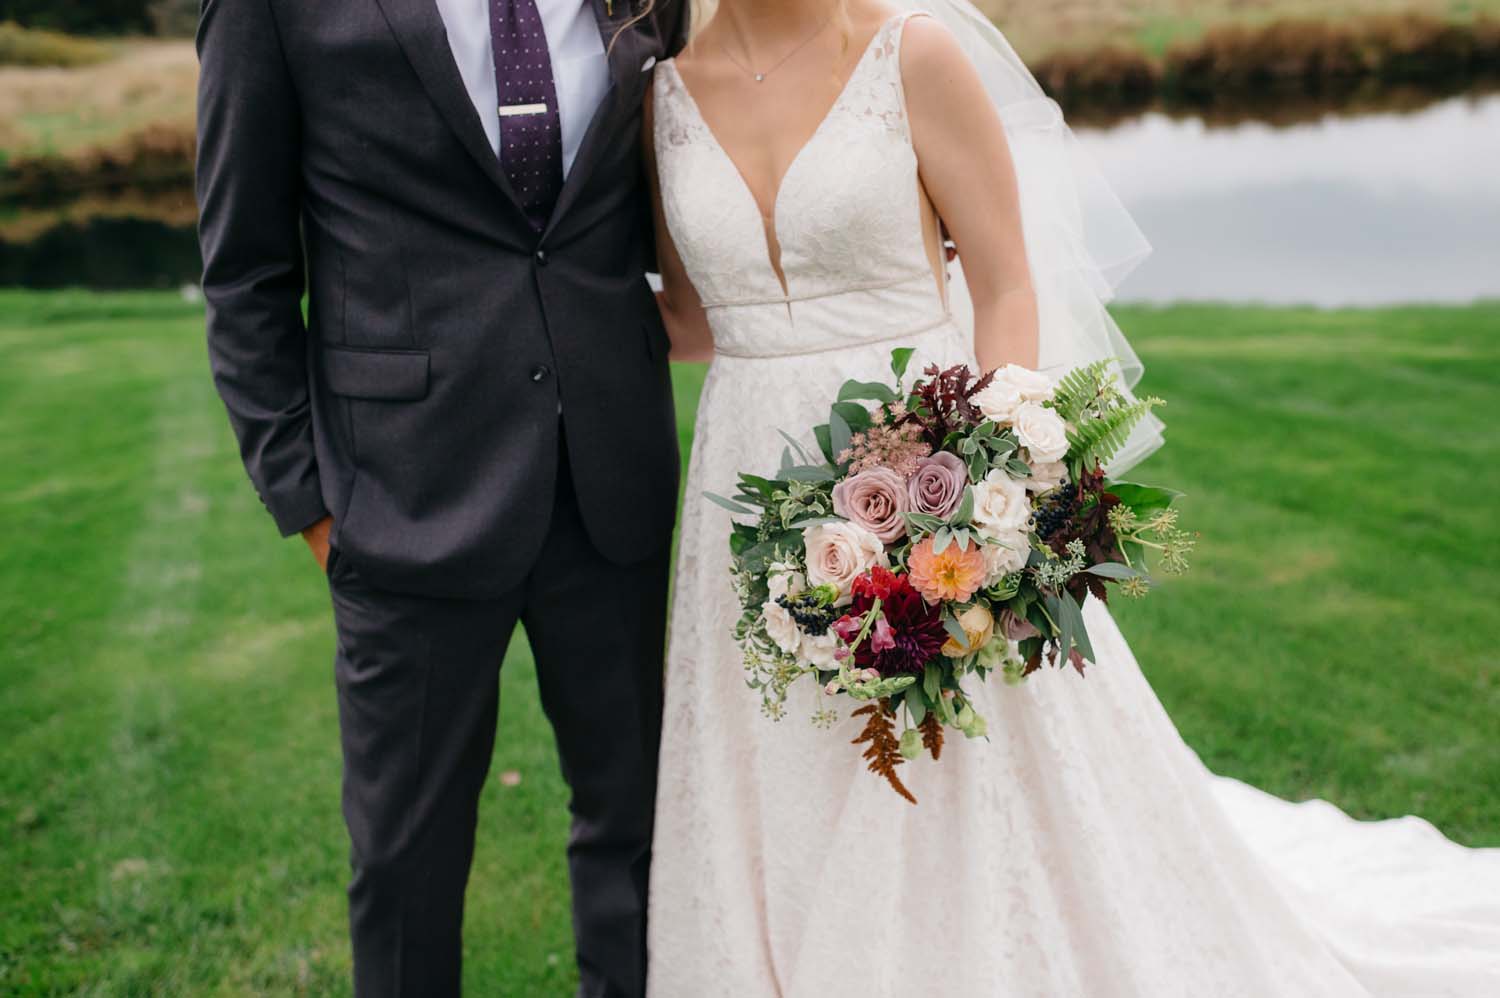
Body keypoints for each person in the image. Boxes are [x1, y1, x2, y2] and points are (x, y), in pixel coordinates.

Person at [644, 1, 1500, 994]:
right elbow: (692, 321)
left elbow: (1005, 282)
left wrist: (986, 478)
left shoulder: (908, 55)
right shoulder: (663, 95)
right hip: (747, 489)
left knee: (951, 757)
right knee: (780, 762)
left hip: (924, 464)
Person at [196, 1, 688, 994]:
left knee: (641, 834)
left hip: (610, 478)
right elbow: (245, 273)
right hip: (401, 493)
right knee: (405, 863)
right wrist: (310, 504)